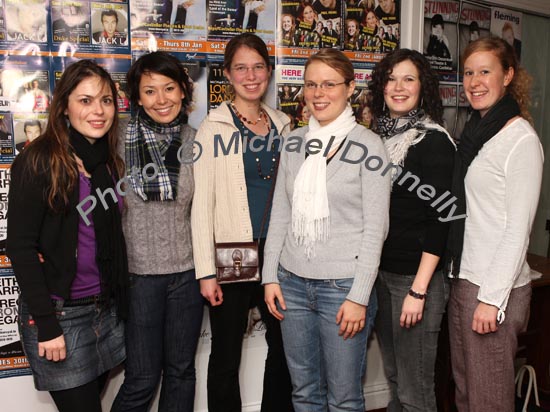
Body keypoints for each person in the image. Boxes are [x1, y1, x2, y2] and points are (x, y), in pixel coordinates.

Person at [263, 48, 391, 412]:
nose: (318, 93)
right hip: (292, 285)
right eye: (311, 84)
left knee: (344, 398)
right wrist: (270, 275)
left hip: (343, 290)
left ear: (350, 88)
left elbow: (375, 229)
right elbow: (281, 215)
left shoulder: (369, 146)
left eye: (329, 84)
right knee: (304, 392)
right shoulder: (293, 141)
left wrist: (359, 296)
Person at [7, 60, 128, 412]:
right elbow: (21, 247)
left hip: (105, 310)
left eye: (106, 100)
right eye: (86, 100)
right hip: (61, 315)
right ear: (64, 106)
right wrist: (46, 325)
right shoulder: (38, 160)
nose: (98, 110)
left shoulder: (108, 162)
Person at [191, 33, 294, 412]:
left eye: (257, 67)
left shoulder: (285, 125)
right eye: (240, 68)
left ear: (268, 71)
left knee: (284, 347)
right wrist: (206, 272)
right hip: (234, 252)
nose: (250, 76)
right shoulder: (213, 127)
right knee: (226, 353)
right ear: (228, 75)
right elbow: (202, 205)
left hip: (278, 253)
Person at [446, 37, 543, 412]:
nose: (474, 81)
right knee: (467, 392)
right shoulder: (476, 133)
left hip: (492, 288)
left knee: (489, 401)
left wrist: (491, 299)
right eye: (469, 72)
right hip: (464, 278)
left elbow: (518, 230)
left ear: (508, 76)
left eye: (485, 71)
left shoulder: (520, 141)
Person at [111, 51, 203, 412]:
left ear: (183, 91)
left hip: (187, 275)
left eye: (169, 88)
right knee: (141, 378)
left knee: (181, 371)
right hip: (138, 277)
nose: (161, 99)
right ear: (136, 97)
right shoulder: (115, 139)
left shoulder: (197, 140)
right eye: (150, 91)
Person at [368, 48, 456, 412]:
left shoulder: (433, 141)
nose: (399, 87)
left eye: (409, 79)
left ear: (423, 87)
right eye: (391, 78)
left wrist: (419, 291)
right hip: (382, 275)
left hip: (416, 281)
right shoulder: (376, 139)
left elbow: (442, 219)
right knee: (394, 379)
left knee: (415, 391)